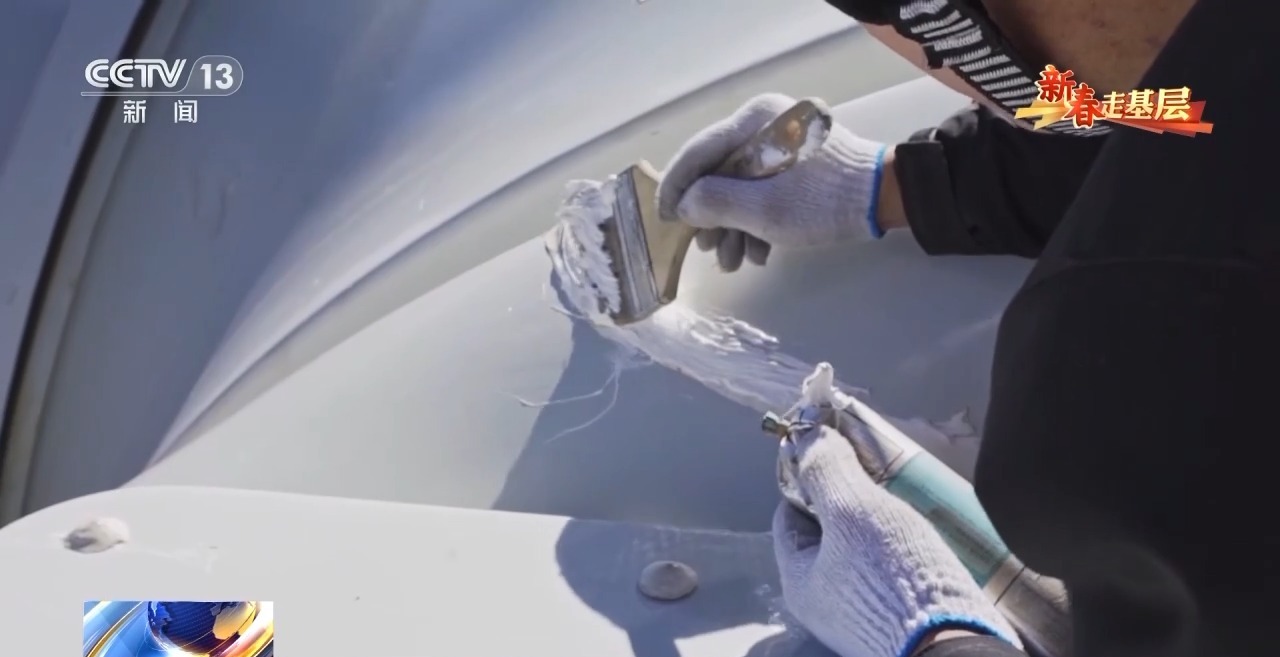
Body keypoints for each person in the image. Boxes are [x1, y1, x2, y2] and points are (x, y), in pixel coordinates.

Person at [654, 0, 1276, 655]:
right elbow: (1200, 115)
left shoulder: (1128, 398)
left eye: (921, 34)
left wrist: (935, 633)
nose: (939, 67)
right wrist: (895, 183)